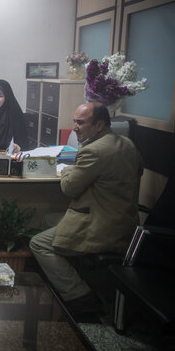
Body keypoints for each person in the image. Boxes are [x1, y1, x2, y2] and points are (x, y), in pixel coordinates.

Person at [30, 102, 143, 316]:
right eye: (74, 121)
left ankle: (81, 297)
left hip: (102, 227)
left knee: (38, 244)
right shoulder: (127, 144)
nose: (74, 127)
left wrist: (67, 171)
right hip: (125, 222)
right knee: (47, 220)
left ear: (99, 125)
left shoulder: (93, 151)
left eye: (80, 122)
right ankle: (70, 276)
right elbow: (138, 170)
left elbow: (69, 188)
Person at [0, 79, 28, 155]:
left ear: (7, 97)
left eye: (0, 96)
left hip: (8, 158)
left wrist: (17, 147)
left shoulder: (15, 115)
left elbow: (23, 144)